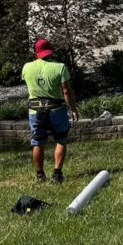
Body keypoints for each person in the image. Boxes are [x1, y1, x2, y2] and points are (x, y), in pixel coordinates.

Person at [22, 39, 79, 185]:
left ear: (35, 53)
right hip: (56, 109)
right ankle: (57, 174)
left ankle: (40, 175)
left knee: (38, 142)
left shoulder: (26, 67)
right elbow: (66, 91)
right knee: (60, 140)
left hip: (35, 111)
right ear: (50, 51)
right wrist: (73, 109)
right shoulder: (60, 67)